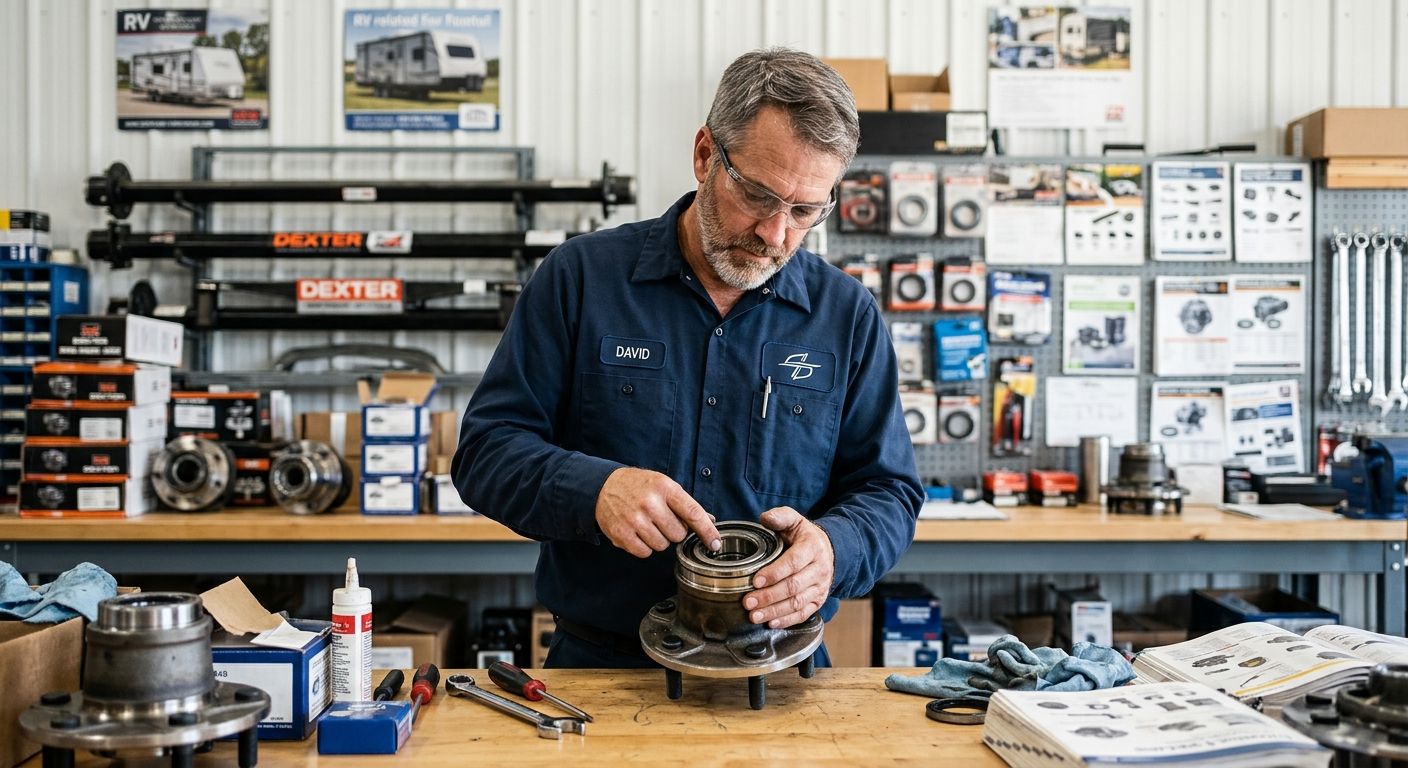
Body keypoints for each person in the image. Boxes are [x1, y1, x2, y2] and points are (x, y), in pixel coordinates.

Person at [452, 47, 922, 668]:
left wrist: (837, 548)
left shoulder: (847, 315)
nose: (776, 234)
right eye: (757, 196)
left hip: (783, 679)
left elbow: (887, 490)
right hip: (605, 674)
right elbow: (487, 452)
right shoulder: (580, 279)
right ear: (705, 155)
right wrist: (595, 490)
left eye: (806, 210)